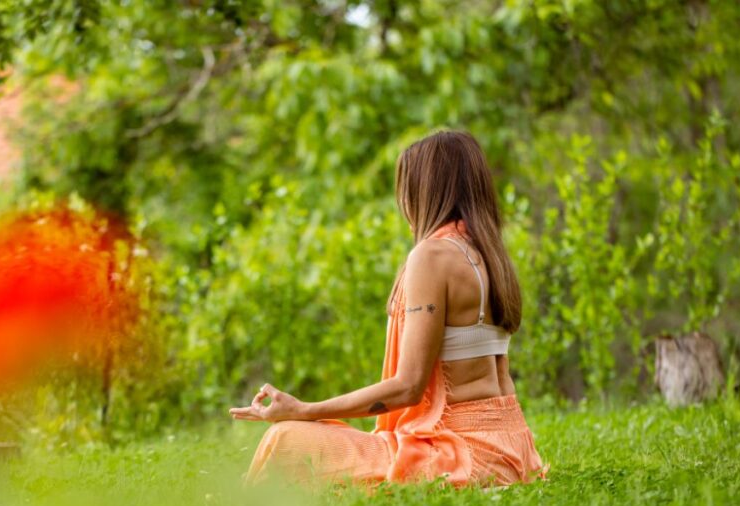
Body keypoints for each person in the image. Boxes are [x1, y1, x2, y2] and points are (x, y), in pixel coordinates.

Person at [229, 130, 546, 487]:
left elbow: (407, 388)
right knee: (319, 435)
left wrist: (304, 409)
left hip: (461, 454)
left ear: (426, 191)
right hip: (512, 450)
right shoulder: (489, 254)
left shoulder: (432, 255)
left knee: (285, 437)